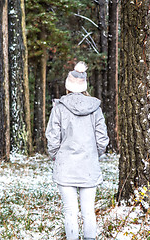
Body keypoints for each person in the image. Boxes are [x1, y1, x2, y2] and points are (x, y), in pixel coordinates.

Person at [45, 61, 109, 240]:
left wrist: (57, 156)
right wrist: (95, 154)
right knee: (89, 212)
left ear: (67, 86)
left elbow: (52, 137)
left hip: (66, 167)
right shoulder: (95, 109)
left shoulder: (59, 108)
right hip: (89, 166)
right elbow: (102, 138)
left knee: (70, 212)